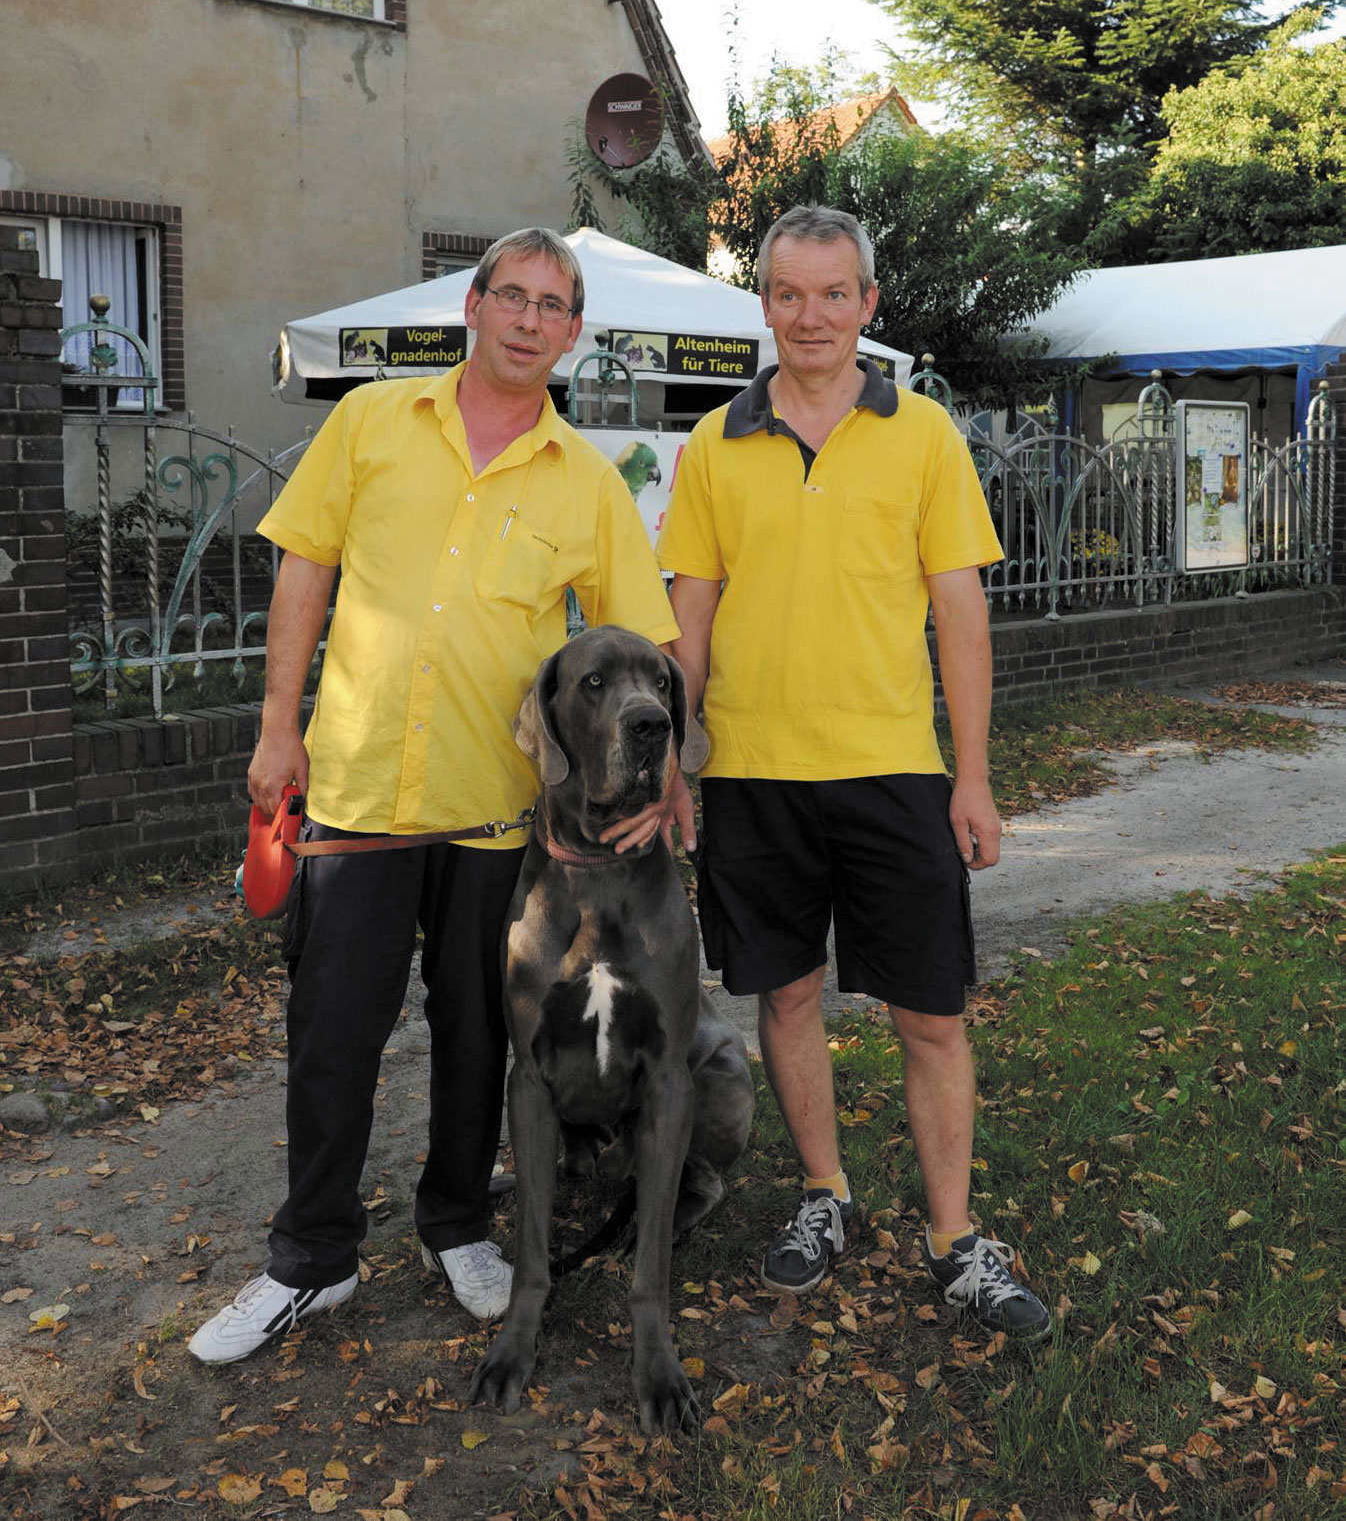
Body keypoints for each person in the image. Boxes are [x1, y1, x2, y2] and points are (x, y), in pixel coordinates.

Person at [190, 228, 680, 1364]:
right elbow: (303, 568)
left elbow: (647, 640)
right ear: (473, 305)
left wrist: (670, 773)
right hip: (354, 797)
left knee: (475, 1036)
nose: (528, 319)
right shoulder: (369, 423)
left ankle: (458, 1226)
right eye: (511, 295)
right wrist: (277, 727)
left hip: (493, 815)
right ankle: (310, 1258)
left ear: (570, 332)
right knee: (331, 1037)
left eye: (553, 306)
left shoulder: (586, 479)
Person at [655, 206, 1049, 1341]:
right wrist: (679, 762)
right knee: (783, 994)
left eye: (834, 294)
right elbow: (691, 615)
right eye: (788, 294)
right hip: (753, 775)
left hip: (892, 771)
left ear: (868, 304)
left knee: (930, 1011)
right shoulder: (713, 445)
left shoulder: (922, 433)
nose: (811, 316)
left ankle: (953, 1235)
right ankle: (824, 1193)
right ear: (764, 303)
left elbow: (959, 618)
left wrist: (968, 777)